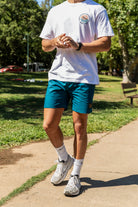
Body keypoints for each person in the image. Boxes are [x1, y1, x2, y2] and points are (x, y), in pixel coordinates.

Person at [40, 0, 114, 196]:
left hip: (84, 77)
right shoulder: (56, 10)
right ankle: (64, 159)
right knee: (49, 125)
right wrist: (54, 42)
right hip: (58, 76)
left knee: (79, 126)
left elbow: (106, 43)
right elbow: (44, 44)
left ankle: (75, 176)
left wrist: (79, 45)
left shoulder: (96, 9)